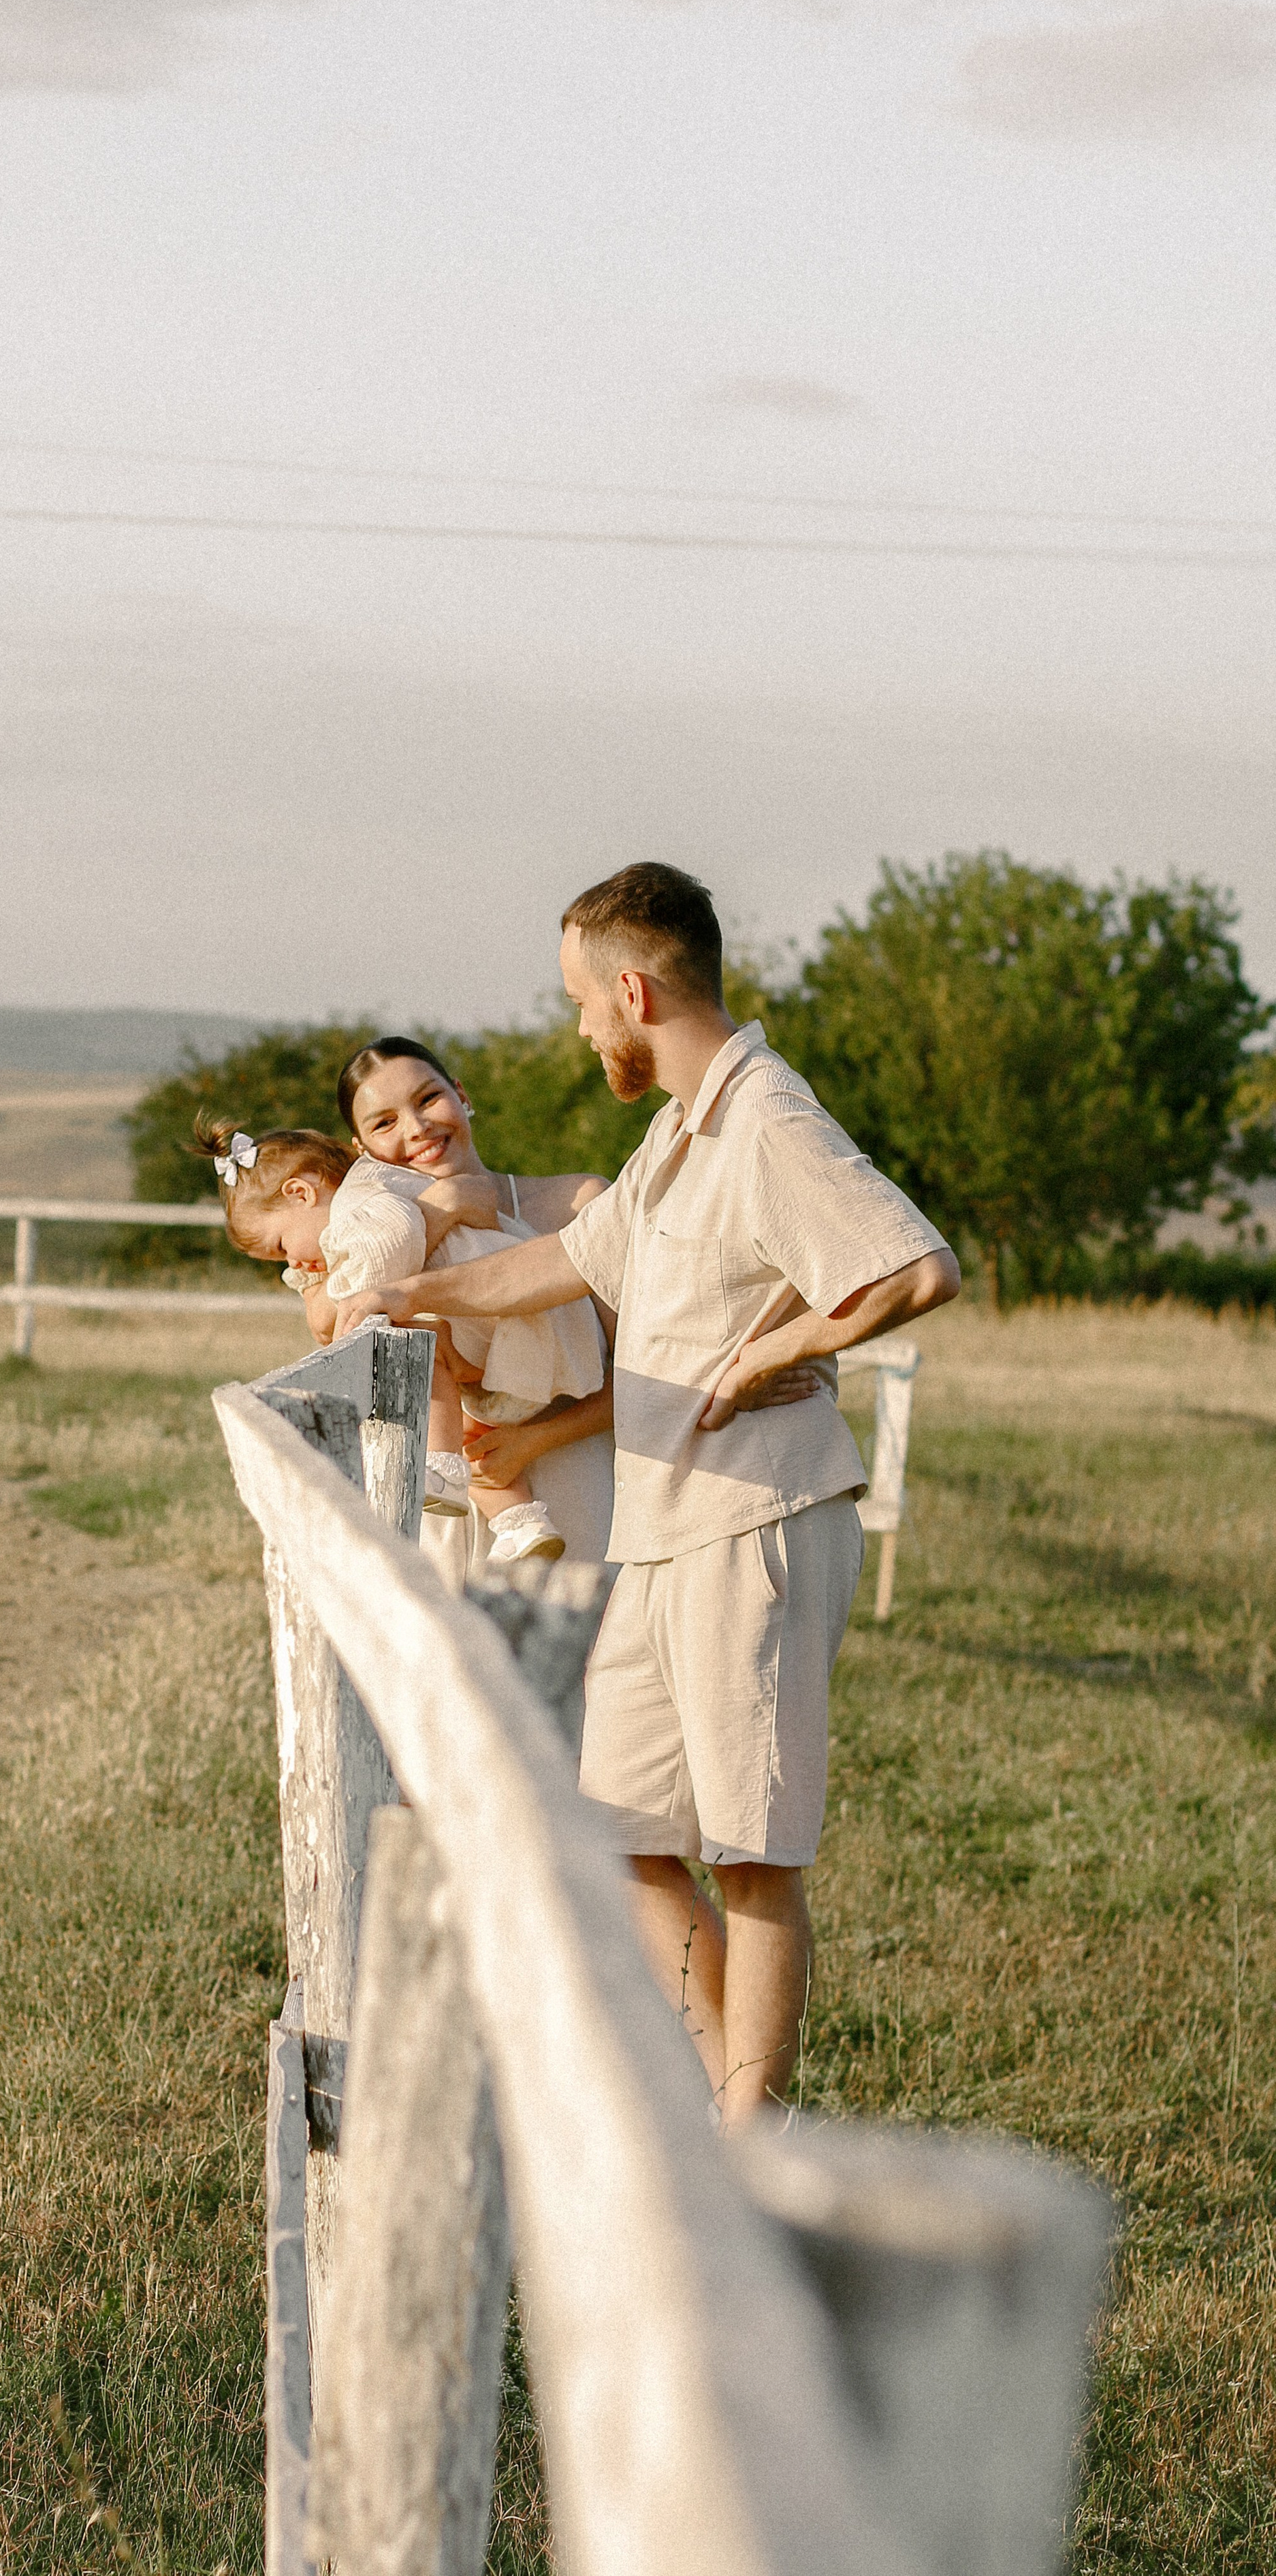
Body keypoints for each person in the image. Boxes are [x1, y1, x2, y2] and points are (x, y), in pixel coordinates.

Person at [334, 865, 959, 2129]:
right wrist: (407, 1298)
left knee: (755, 1854)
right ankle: (728, 2112)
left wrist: (775, 1353)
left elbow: (914, 1266)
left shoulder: (765, 1115)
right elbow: (564, 1263)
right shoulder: (678, 1129)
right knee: (623, 1824)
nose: (578, 1031)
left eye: (580, 1002)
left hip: (757, 1521)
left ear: (633, 989)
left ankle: (747, 2147)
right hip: (665, 1530)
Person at [191, 1116, 606, 1560]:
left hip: (514, 1329)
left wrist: (358, 1302)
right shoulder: (369, 1201)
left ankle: (441, 1470)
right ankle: (521, 1522)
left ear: (301, 1193)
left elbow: (394, 1241)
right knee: (468, 1429)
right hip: (513, 1346)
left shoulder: (360, 1203)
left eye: (281, 1248)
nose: (292, 1264)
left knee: (407, 1343)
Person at [336, 1035, 618, 1570]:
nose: (416, 1129)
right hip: (438, 1515)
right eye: (384, 1123)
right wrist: (439, 1211)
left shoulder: (577, 1201)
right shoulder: (369, 1243)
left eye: (427, 1099)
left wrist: (532, 1442)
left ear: (461, 1094)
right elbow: (338, 1335)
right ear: (362, 1151)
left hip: (568, 1479)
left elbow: (638, 1372)